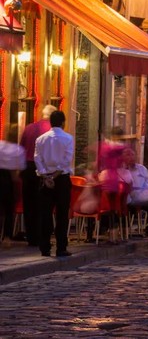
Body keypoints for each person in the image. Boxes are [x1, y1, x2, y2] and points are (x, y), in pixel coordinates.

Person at [35, 110, 74, 257]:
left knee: (45, 214)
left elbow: (37, 159)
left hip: (45, 180)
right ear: (63, 123)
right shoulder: (68, 138)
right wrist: (55, 176)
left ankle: (44, 247)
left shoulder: (40, 139)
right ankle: (61, 247)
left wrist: (46, 177)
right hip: (61, 179)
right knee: (62, 214)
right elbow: (66, 160)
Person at [19, 104, 55, 246]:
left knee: (29, 203)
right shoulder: (51, 130)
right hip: (42, 168)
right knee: (43, 203)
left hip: (27, 167)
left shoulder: (29, 127)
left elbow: (21, 148)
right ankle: (42, 236)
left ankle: (31, 236)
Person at [119, 148, 148, 226]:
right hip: (126, 198)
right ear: (123, 158)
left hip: (141, 196)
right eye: (128, 155)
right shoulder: (121, 170)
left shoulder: (142, 169)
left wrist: (144, 194)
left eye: (132, 155)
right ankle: (124, 229)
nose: (131, 157)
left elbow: (147, 185)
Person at [0, 127, 25, 248]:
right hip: (9, 179)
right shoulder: (18, 150)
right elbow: (18, 169)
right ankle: (7, 237)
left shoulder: (0, 146)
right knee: (9, 211)